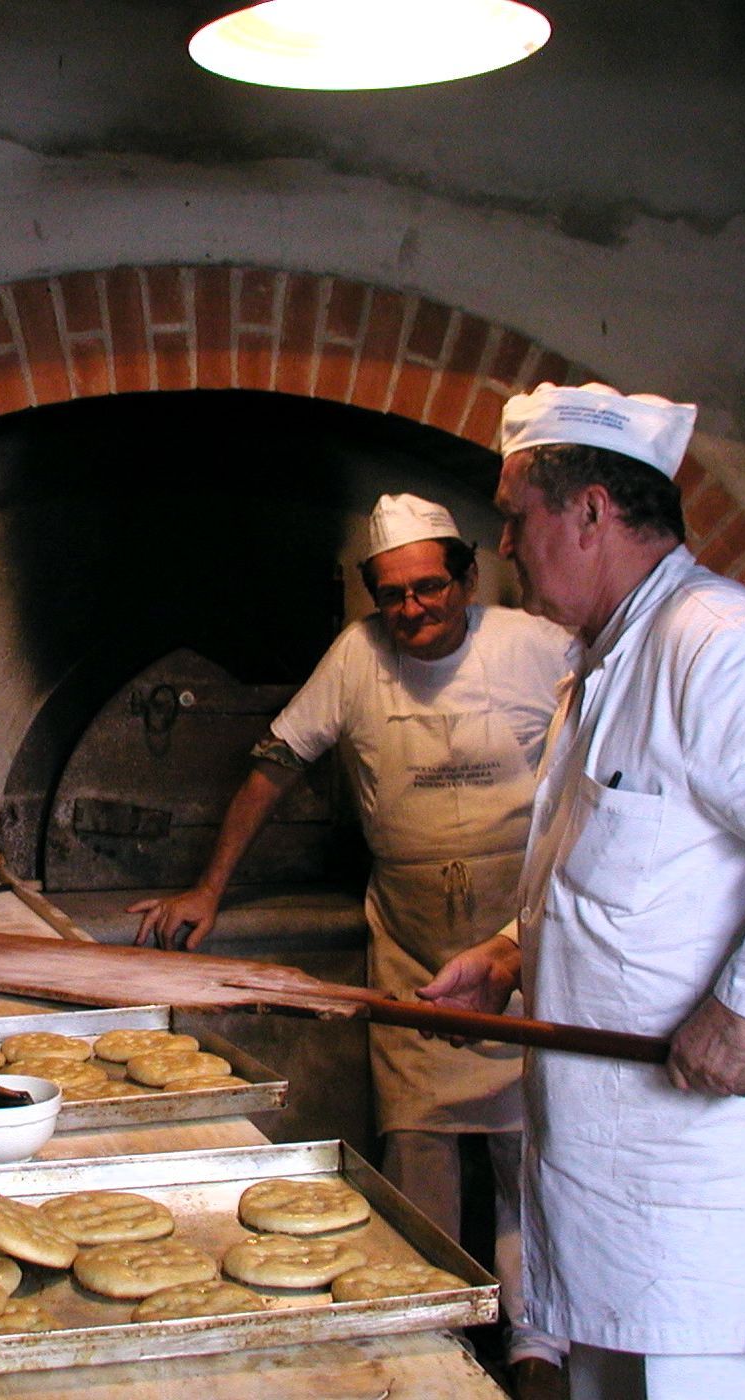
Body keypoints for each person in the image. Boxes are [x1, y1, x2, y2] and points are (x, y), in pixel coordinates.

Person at [420, 382, 745, 1400]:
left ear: (589, 512)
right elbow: (629, 879)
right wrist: (513, 957)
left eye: (515, 518)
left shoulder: (713, 645)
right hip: (616, 1178)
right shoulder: (599, 666)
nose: (503, 544)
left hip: (703, 1187)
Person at [130, 492, 574, 1393]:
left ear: (467, 576)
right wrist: (208, 888)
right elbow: (275, 761)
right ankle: (432, 1336)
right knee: (417, 1148)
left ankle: (538, 1345)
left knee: (530, 1154)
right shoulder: (356, 657)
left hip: (520, 940)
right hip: (412, 944)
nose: (411, 610)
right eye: (391, 596)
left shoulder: (539, 648)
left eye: (427, 590)